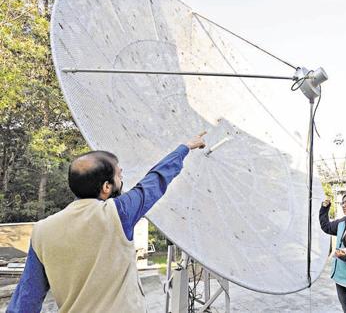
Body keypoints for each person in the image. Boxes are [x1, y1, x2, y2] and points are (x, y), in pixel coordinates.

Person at [7, 132, 207, 313]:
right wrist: (185, 148)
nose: (122, 180)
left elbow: (26, 299)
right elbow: (155, 180)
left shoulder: (42, 230)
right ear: (106, 187)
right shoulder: (118, 213)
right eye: (119, 175)